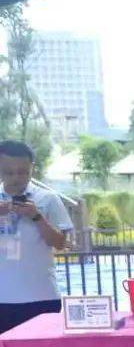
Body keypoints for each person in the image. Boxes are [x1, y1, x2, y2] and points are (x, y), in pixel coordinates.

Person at [0, 140, 74, 335]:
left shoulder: (48, 199)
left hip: (41, 295)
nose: (17, 178)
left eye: (23, 171)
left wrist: (37, 217)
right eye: (9, 172)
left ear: (32, 167)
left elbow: (61, 244)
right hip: (2, 297)